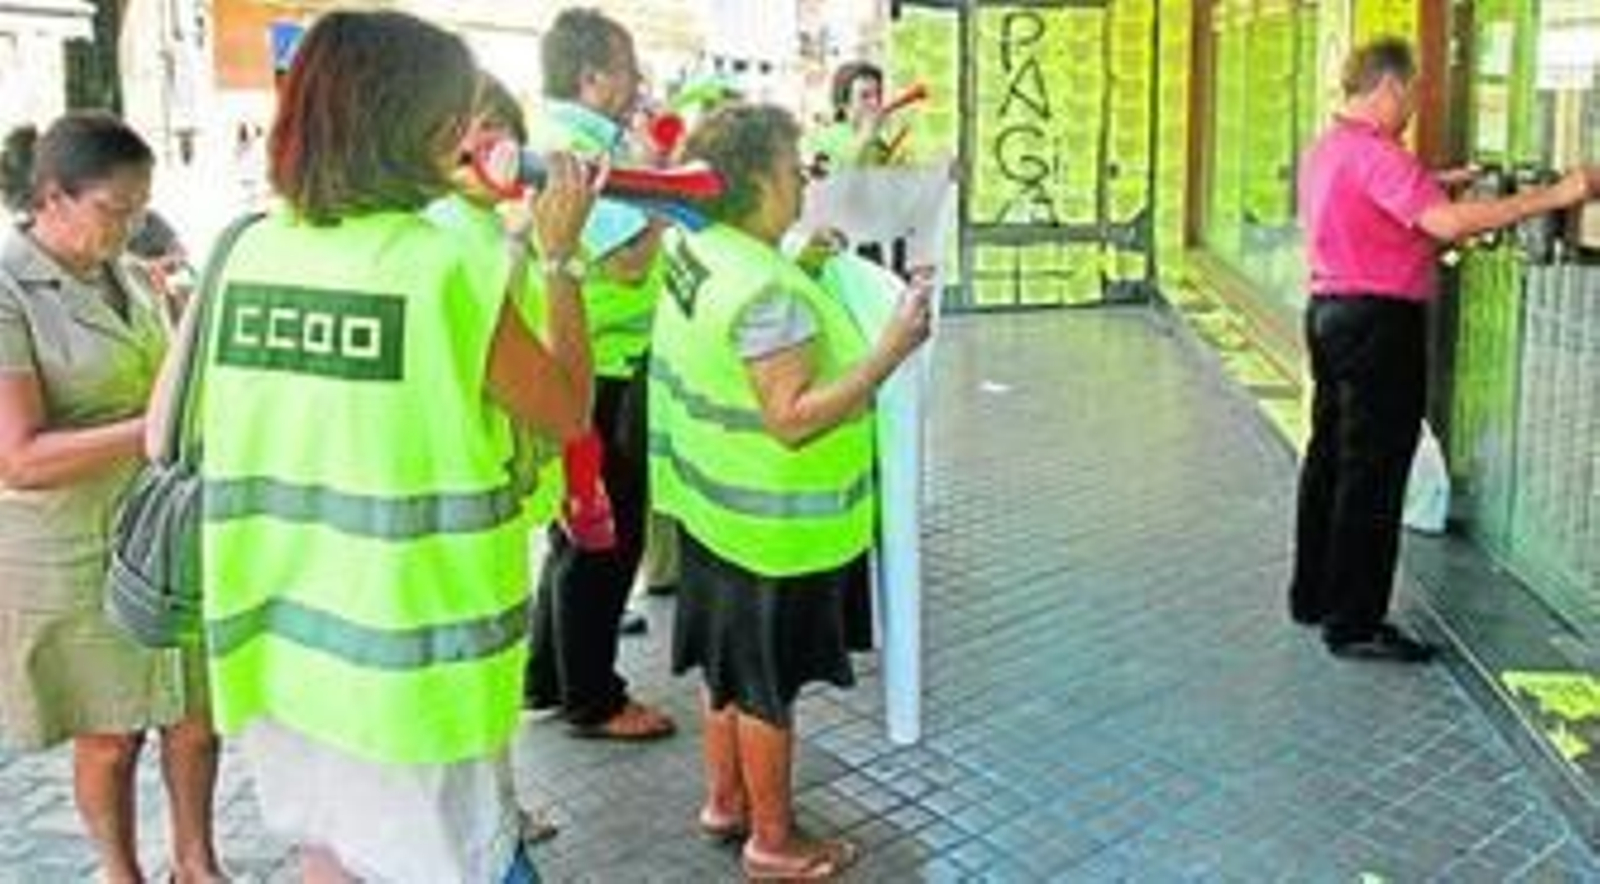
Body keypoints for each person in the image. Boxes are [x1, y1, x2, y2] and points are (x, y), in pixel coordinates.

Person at [154, 12, 599, 881]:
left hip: (278, 646)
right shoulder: (442, 268)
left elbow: (159, 433)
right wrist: (561, 262)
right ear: (417, 127)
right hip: (414, 666)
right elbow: (568, 411)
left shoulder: (245, 250)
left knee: (331, 856)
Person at [652, 104, 931, 880]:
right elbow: (791, 418)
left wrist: (799, 265)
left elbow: (729, 345)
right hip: (772, 529)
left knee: (727, 669)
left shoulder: (693, 249)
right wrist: (889, 353)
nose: (803, 182)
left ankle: (725, 801)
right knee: (767, 687)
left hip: (710, 508)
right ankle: (773, 842)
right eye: (792, 168)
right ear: (753, 184)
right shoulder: (764, 291)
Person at [1290, 37, 1599, 662]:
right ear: (1388, 88)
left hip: (1330, 314)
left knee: (1330, 458)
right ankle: (1355, 624)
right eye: (1411, 95)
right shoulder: (1381, 156)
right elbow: (1448, 225)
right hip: (1379, 324)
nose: (1411, 110)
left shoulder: (1330, 149)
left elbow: (1384, 200)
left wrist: (1438, 181)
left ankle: (1315, 593)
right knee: (1373, 472)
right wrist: (1556, 196)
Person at [0, 113, 224, 884]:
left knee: (194, 715)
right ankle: (118, 871)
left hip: (157, 530)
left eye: (139, 210)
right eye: (114, 211)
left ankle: (195, 863)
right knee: (111, 734)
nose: (129, 227)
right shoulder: (6, 286)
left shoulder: (125, 273)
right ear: (53, 197)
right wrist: (152, 430)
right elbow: (19, 458)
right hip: (67, 540)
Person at [523, 6, 676, 740]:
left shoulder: (564, 138)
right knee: (605, 537)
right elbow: (628, 260)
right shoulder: (581, 149)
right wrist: (669, 204)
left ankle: (549, 676)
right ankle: (594, 696)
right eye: (626, 70)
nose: (636, 82)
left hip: (576, 362)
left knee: (574, 529)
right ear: (591, 77)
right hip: (602, 368)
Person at [803, 62, 901, 175]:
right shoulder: (819, 141)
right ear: (843, 104)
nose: (875, 102)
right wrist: (865, 140)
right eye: (865, 96)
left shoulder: (878, 145)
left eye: (878, 94)